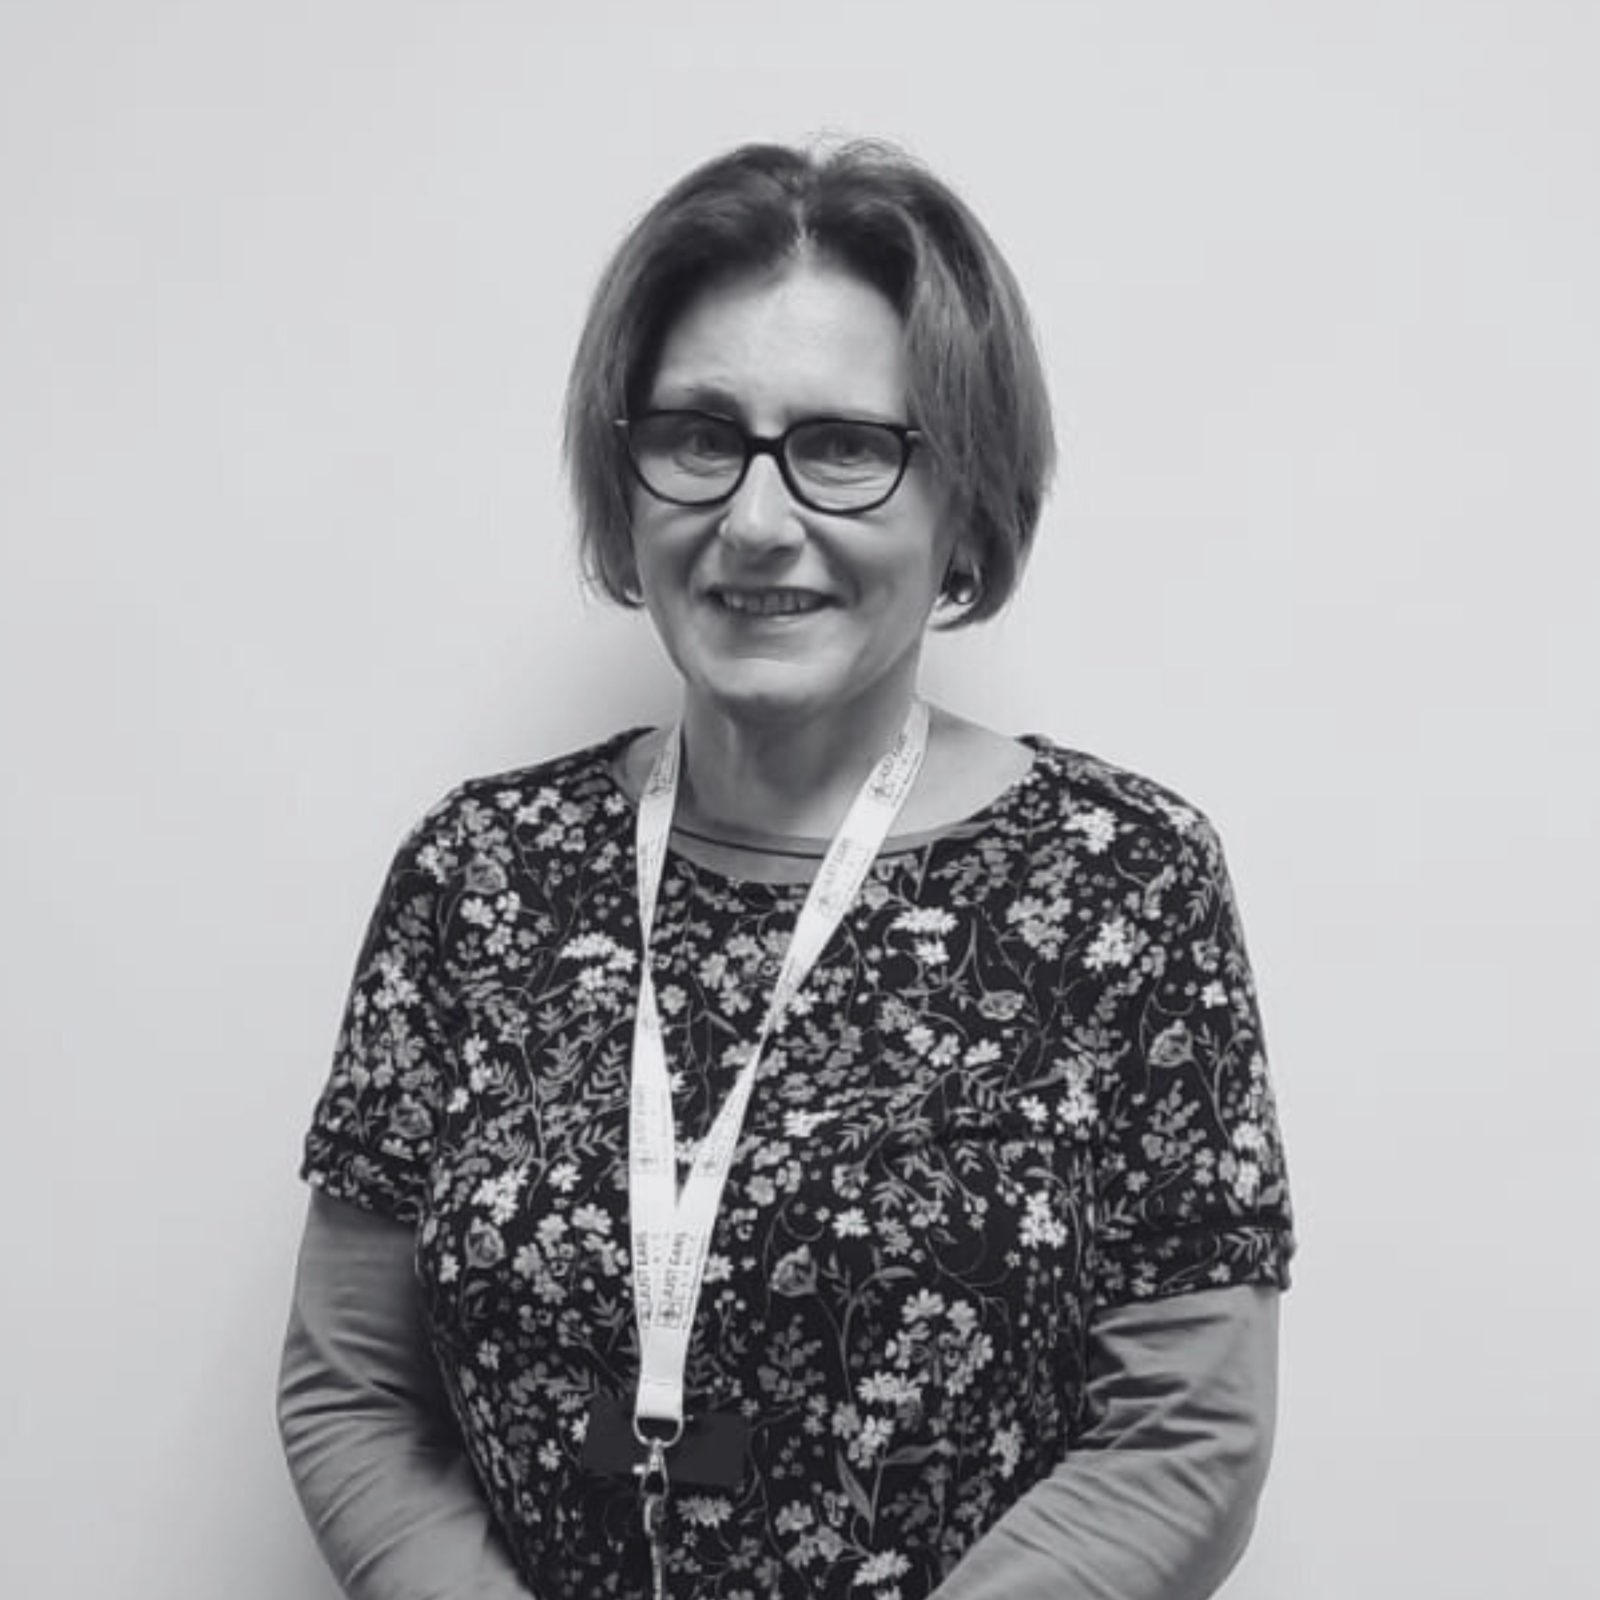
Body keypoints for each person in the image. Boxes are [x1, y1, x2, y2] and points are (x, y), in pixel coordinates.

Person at [278, 139, 1294, 1600]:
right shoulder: (477, 873)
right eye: (702, 436)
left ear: (965, 496)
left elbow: (1181, 1436)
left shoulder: (1125, 884)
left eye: (845, 447)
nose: (757, 522)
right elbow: (355, 1394)